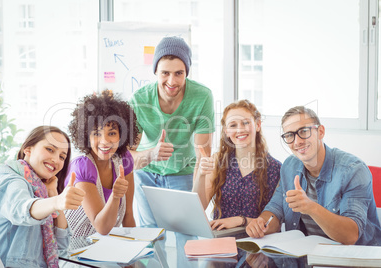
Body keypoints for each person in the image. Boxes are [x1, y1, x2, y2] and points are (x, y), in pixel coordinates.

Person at [246, 106, 381, 245]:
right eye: (289, 135)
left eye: (304, 131)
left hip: (354, 258)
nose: (297, 142)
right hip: (307, 256)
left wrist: (311, 207)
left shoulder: (353, 170)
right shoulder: (289, 166)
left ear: (320, 131)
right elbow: (275, 208)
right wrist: (261, 223)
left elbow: (351, 235)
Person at [128, 36, 215, 227]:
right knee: (150, 236)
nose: (172, 81)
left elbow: (203, 154)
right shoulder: (139, 99)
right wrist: (152, 154)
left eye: (179, 73)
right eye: (165, 73)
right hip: (147, 173)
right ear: (156, 72)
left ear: (186, 72)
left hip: (184, 172)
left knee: (186, 232)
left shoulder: (202, 96)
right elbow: (128, 159)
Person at [0, 126, 85, 268]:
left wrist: (53, 192)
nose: (55, 159)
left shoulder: (40, 188)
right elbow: (22, 209)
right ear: (28, 149)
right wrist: (56, 201)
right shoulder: (11, 179)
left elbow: (62, 244)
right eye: (50, 149)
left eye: (62, 157)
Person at [193, 100, 281, 231]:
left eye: (245, 123)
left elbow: (274, 222)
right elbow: (197, 208)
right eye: (233, 125)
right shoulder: (218, 161)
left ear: (257, 125)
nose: (240, 129)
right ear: (226, 131)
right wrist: (201, 175)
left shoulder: (276, 168)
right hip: (222, 240)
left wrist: (240, 221)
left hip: (257, 242)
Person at [64, 90, 139, 241]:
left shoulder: (124, 160)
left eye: (111, 133)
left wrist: (134, 249)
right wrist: (116, 196)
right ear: (86, 136)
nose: (104, 141)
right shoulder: (82, 167)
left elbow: (128, 216)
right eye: (97, 134)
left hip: (107, 246)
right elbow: (102, 227)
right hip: (75, 252)